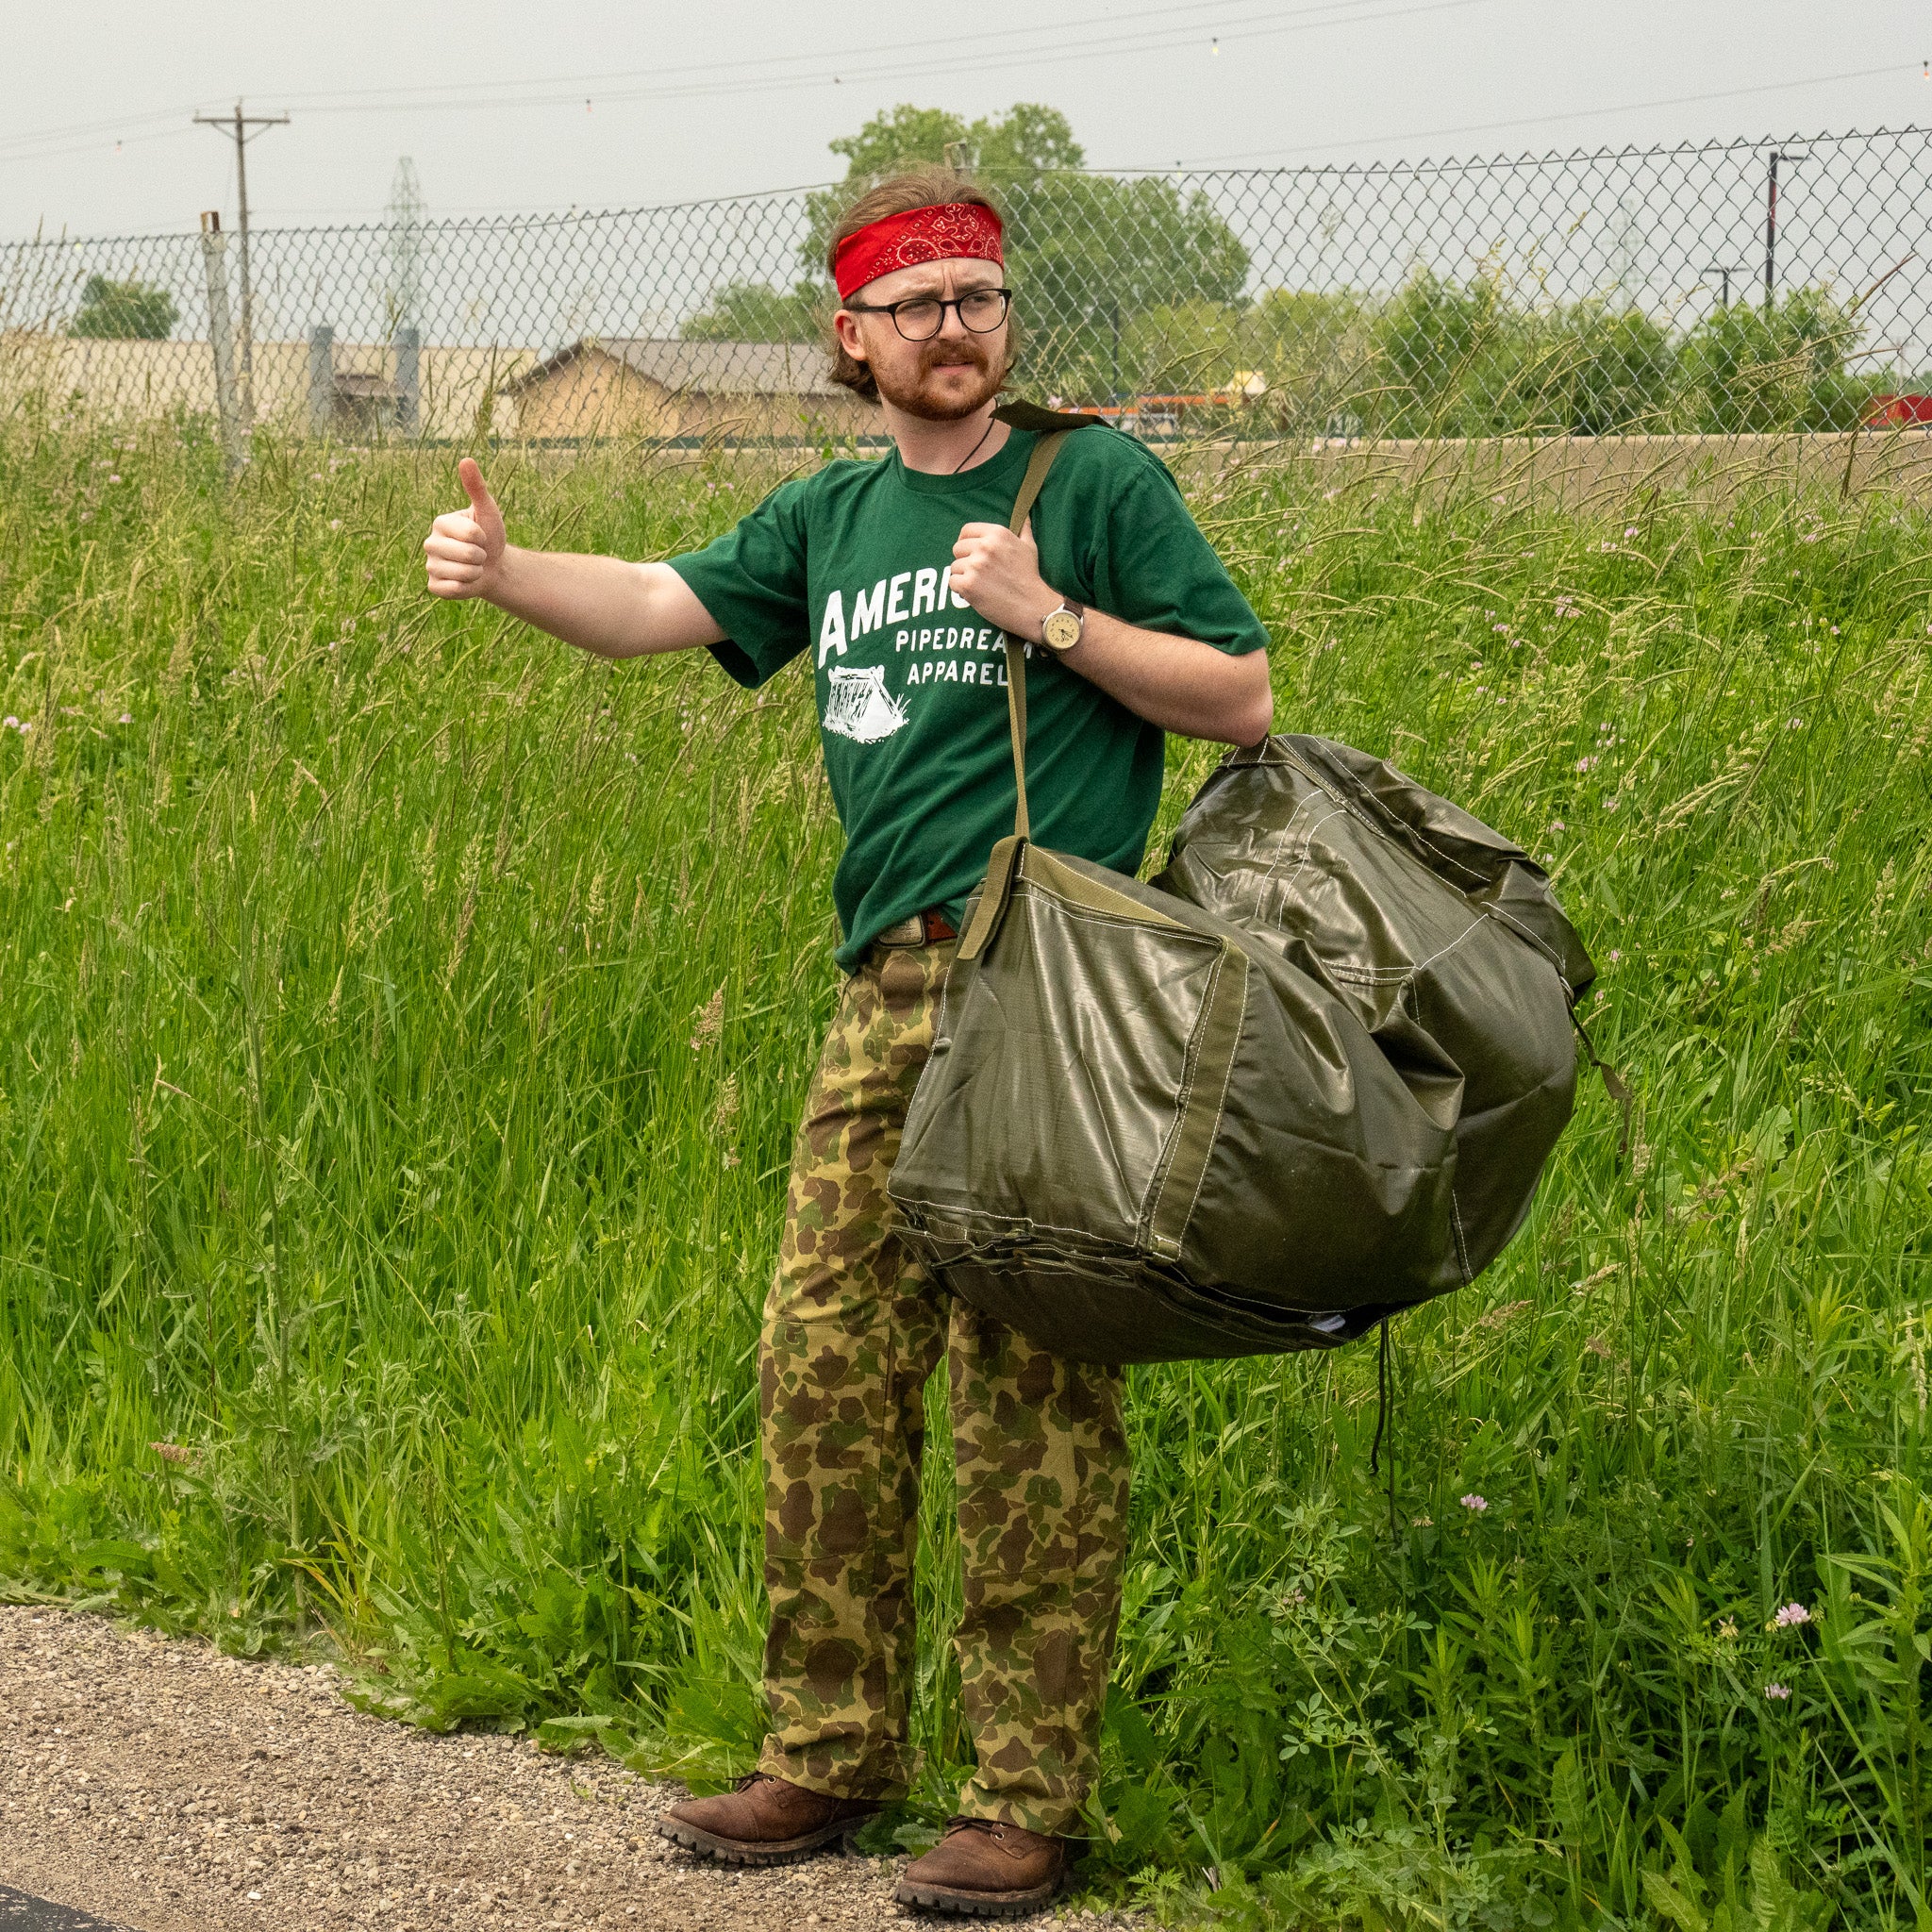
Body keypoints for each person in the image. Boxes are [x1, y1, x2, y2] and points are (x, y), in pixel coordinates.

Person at [423, 164, 1273, 1920]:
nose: (956, 328)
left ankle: (1023, 1801)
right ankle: (826, 1754)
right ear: (853, 335)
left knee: (1028, 1392)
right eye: (919, 304)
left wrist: (1053, 616)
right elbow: (654, 601)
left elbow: (1240, 696)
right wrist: (505, 574)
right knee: (823, 1365)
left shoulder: (1090, 480)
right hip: (885, 991)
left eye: (980, 298)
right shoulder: (831, 512)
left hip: (1050, 990)